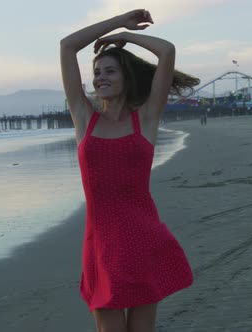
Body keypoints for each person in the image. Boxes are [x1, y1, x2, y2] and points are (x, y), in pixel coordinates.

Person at [60, 9, 198, 331]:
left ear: (127, 77)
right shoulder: (84, 117)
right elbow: (67, 47)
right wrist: (117, 22)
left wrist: (125, 38)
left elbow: (166, 51)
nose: (100, 77)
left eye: (110, 71)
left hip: (142, 238)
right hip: (101, 244)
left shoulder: (146, 118)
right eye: (97, 72)